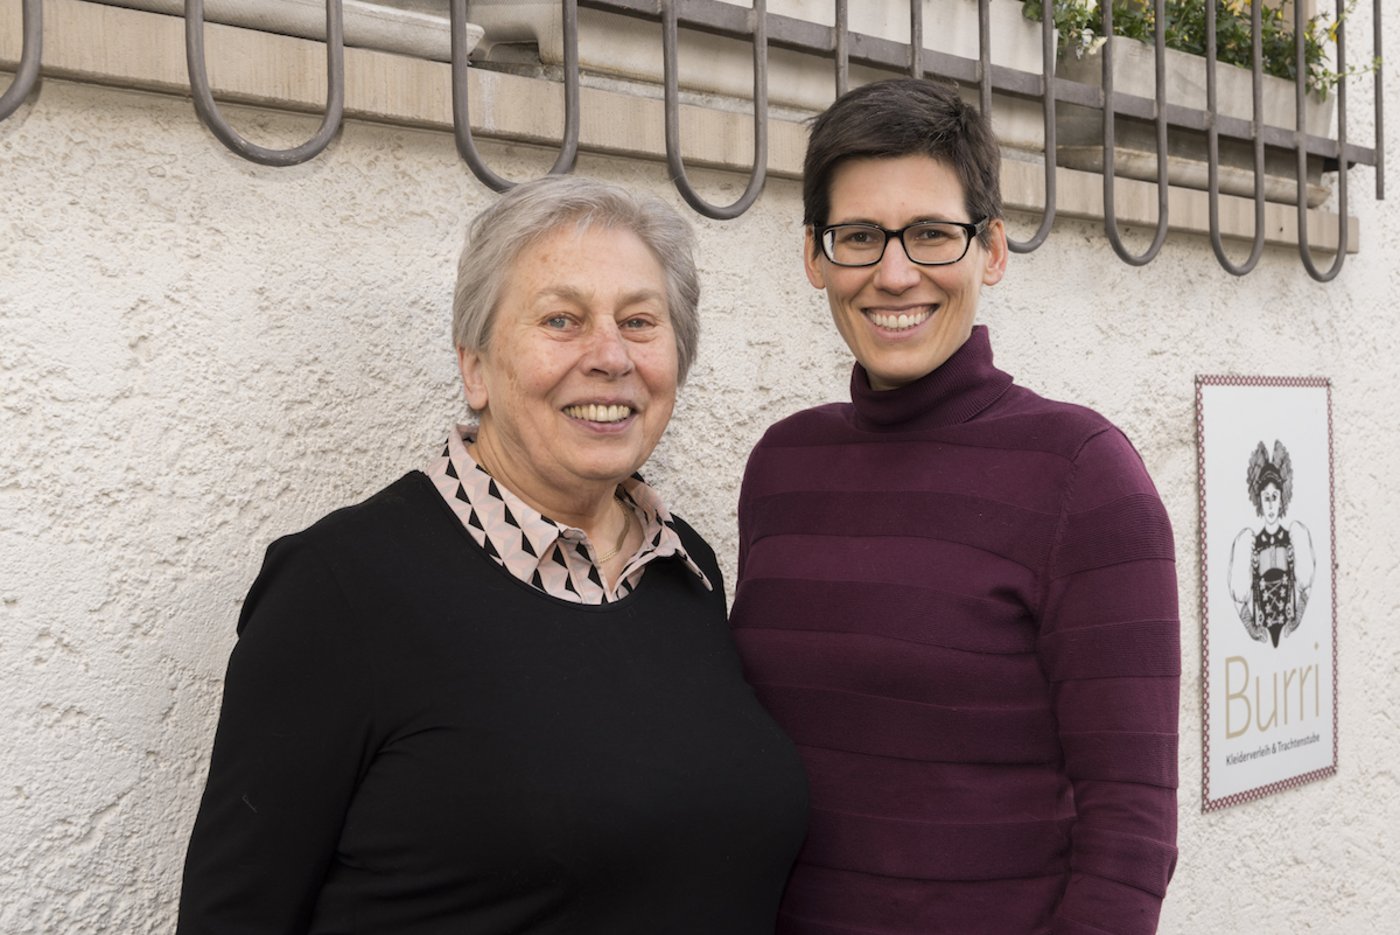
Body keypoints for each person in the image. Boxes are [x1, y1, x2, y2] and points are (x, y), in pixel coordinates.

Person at [177, 175, 808, 934]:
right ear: (475, 367)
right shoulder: (341, 588)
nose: (610, 356)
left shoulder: (684, 569)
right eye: (561, 319)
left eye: (640, 321)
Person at [729, 78, 1180, 935]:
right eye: (859, 237)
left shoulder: (1085, 476)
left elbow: (1130, 834)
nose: (894, 273)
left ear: (993, 250)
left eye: (932, 234)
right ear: (814, 257)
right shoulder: (782, 467)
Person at [1229, 440, 1315, 647]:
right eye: (1266, 497)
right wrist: (1249, 626)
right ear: (1259, 500)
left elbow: (1306, 584)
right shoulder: (1250, 544)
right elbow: (1238, 596)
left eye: (1274, 497)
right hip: (1263, 631)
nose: (1270, 505)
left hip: (1288, 630)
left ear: (1281, 499)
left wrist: (1300, 611)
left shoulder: (1294, 537)